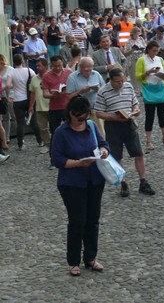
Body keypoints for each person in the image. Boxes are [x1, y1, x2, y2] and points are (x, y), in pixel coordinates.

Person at [50, 95, 110, 276]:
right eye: (79, 118)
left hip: (94, 180)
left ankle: (90, 257)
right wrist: (78, 163)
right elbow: (57, 159)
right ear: (70, 114)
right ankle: (73, 260)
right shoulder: (62, 132)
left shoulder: (91, 126)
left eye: (85, 117)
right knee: (78, 221)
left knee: (93, 220)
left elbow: (103, 142)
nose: (82, 121)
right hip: (72, 183)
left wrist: (103, 150)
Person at [94, 68, 155, 197]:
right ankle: (123, 183)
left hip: (129, 124)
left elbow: (135, 103)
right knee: (117, 156)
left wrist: (135, 110)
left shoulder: (128, 86)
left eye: (122, 81)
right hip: (113, 126)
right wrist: (113, 117)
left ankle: (143, 181)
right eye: (117, 82)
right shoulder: (103, 92)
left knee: (138, 153)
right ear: (110, 80)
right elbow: (98, 112)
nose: (121, 84)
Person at [136, 41, 164, 151]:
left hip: (160, 87)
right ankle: (149, 140)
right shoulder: (142, 60)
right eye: (153, 51)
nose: (155, 53)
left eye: (157, 51)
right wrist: (148, 72)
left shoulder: (160, 59)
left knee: (163, 115)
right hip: (149, 89)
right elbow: (137, 76)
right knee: (149, 116)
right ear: (148, 50)